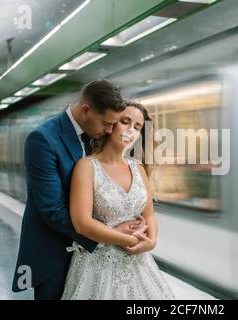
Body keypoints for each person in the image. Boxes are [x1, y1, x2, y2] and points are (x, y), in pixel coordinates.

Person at [12, 79, 147, 300]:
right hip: (56, 254)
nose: (111, 130)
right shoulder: (43, 140)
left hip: (96, 259)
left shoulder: (99, 136)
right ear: (86, 110)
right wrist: (112, 233)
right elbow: (53, 210)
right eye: (106, 123)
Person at [61, 101, 176, 299]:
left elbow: (149, 214)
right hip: (96, 267)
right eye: (125, 122)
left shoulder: (138, 168)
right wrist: (128, 239)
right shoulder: (86, 166)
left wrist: (152, 241)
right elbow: (82, 224)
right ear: (111, 123)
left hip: (140, 263)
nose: (131, 130)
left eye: (137, 127)